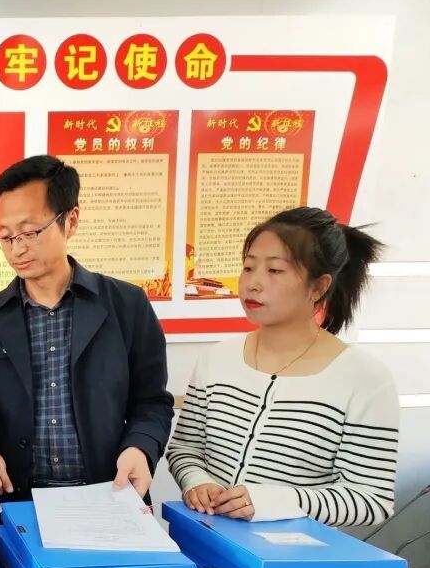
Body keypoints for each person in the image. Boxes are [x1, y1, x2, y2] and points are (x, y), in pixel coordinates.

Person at [166, 206, 396, 524]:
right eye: (248, 267)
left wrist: (275, 501)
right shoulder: (216, 359)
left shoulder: (364, 379)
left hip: (295, 551)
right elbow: (185, 448)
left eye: (274, 270)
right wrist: (197, 481)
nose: (253, 283)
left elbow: (372, 500)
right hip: (205, 540)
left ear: (319, 286)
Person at [0, 155, 174, 500]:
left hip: (110, 493)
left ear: (71, 220)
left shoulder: (127, 305)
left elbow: (152, 401)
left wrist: (140, 447)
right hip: (20, 500)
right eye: (6, 236)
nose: (17, 248)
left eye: (30, 232)